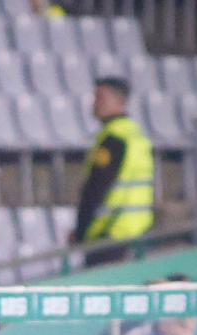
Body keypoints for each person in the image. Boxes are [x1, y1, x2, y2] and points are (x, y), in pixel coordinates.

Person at [72, 77, 154, 267]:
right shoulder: (135, 134)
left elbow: (96, 188)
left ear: (118, 101)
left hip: (110, 232)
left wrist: (81, 230)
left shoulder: (113, 138)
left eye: (100, 97)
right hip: (136, 229)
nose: (94, 103)